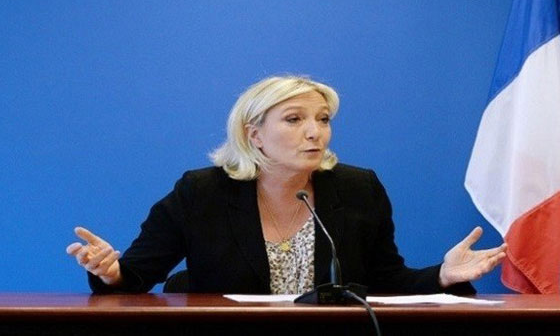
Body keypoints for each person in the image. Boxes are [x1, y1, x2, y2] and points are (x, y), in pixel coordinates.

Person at [66, 76, 507, 294]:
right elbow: (136, 277)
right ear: (254, 134)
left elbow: (384, 280)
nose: (315, 132)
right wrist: (110, 271)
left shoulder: (358, 188)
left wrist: (443, 275)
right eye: (294, 120)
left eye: (323, 119)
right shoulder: (201, 193)